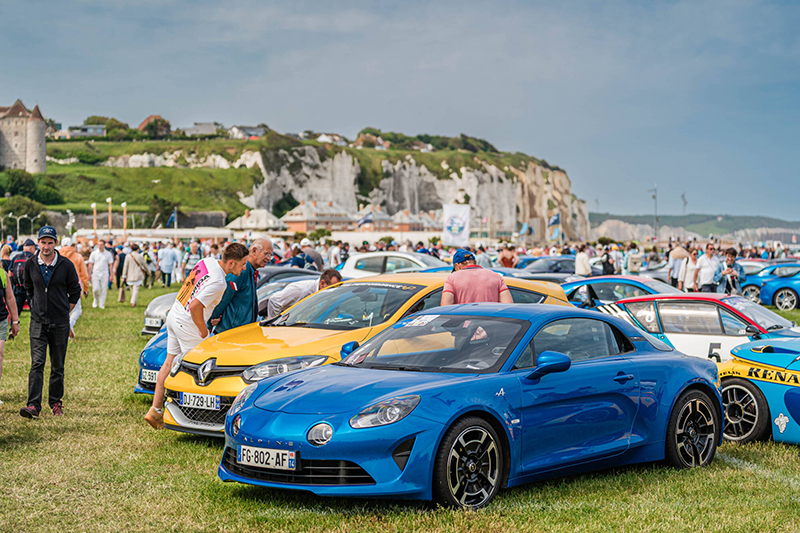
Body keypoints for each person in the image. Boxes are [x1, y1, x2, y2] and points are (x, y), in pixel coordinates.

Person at [145, 243, 250, 430]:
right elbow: (196, 306)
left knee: (168, 363)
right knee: (199, 371)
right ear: (232, 263)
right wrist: (203, 330)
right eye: (242, 264)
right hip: (188, 322)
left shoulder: (206, 261)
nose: (244, 269)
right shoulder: (219, 283)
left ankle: (156, 410)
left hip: (175, 313)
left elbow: (190, 287)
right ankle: (194, 418)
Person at [19, 226, 81, 419]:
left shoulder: (66, 265)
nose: (46, 246)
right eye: (43, 242)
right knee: (37, 363)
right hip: (38, 321)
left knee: (57, 365)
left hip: (60, 322)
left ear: (56, 243)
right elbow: (27, 287)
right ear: (38, 243)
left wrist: (65, 310)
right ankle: (33, 405)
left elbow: (75, 291)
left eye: (50, 242)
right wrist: (35, 304)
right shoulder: (30, 264)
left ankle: (55, 402)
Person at [208, 239, 273, 334]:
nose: (269, 258)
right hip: (231, 333)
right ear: (254, 251)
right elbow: (222, 298)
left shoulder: (250, 271)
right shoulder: (242, 270)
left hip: (239, 332)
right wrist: (210, 324)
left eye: (270, 255)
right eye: (267, 254)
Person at [441, 249, 513, 305]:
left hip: (464, 322)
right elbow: (508, 305)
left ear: (457, 266)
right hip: (491, 323)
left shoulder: (452, 278)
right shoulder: (496, 276)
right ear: (474, 262)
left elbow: (445, 306)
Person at [267, 268, 343, 319]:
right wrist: (274, 325)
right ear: (322, 283)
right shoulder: (301, 290)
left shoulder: (321, 294)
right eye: (332, 287)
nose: (334, 291)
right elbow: (274, 301)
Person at [59, 237, 90, 338]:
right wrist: (86, 288)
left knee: (61, 310)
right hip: (74, 285)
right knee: (77, 310)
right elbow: (84, 275)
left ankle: (65, 330)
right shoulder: (77, 257)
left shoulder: (56, 255)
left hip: (59, 286)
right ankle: (69, 326)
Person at [0, 259, 21, 405]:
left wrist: (15, 321)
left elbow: (9, 297)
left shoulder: (2, 273)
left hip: (0, 319)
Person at [10, 239, 36, 313]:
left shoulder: (16, 257)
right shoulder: (34, 258)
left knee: (16, 311)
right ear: (31, 247)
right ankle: (35, 324)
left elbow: (9, 273)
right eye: (34, 248)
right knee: (34, 311)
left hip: (18, 288)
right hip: (30, 289)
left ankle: (14, 324)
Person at [87, 240, 113, 309]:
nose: (100, 246)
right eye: (98, 245)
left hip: (104, 273)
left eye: (101, 245)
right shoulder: (94, 253)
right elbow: (90, 264)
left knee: (103, 289)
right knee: (95, 289)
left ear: (104, 245)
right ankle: (95, 300)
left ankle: (101, 303)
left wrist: (111, 275)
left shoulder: (108, 254)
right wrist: (89, 274)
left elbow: (110, 265)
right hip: (95, 273)